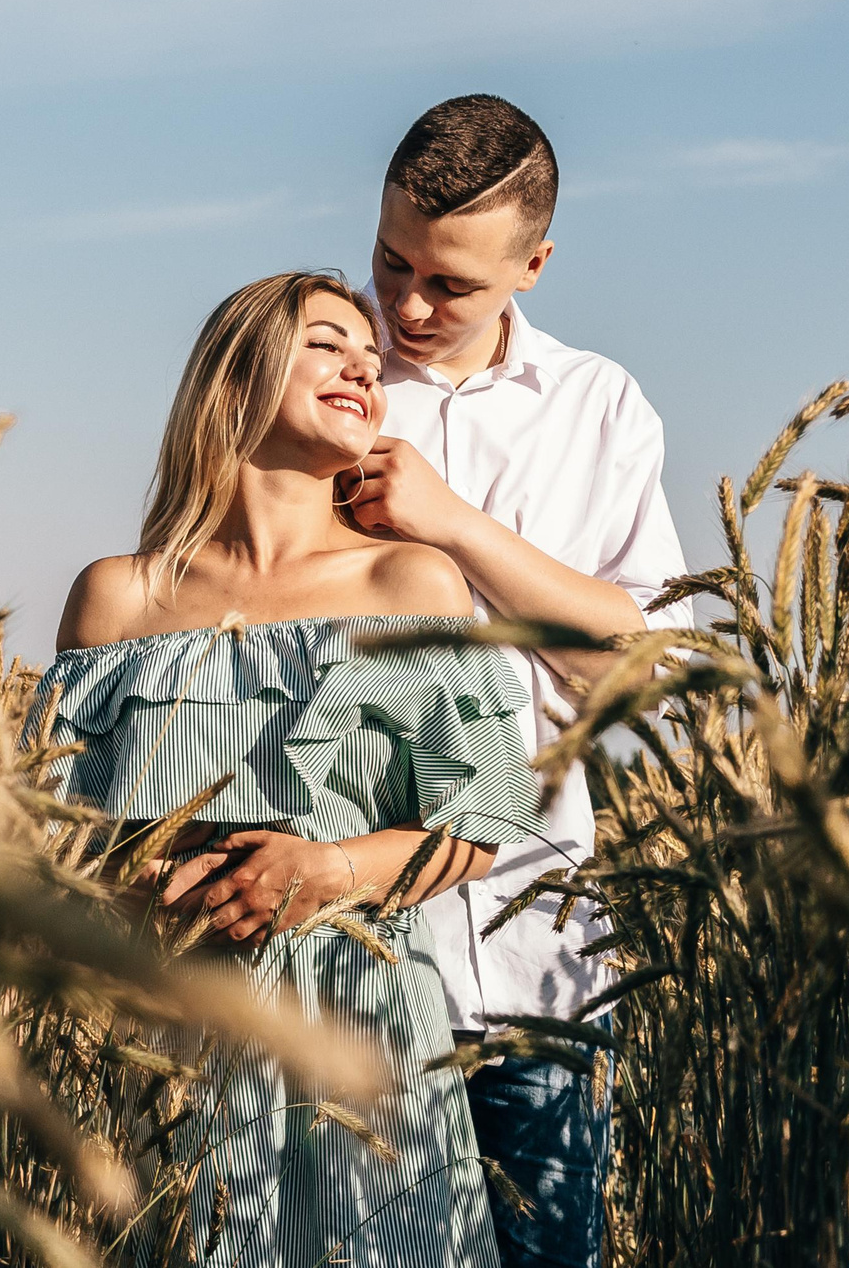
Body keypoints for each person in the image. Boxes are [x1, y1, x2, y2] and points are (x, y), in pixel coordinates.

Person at [35, 271, 542, 1268]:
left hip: (362, 1030)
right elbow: (50, 832)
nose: (364, 363)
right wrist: (127, 883)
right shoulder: (113, 599)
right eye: (326, 342)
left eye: (370, 355)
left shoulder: (412, 581)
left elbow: (487, 818)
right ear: (234, 378)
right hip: (169, 1040)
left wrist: (325, 871)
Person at [345, 95, 692, 1268]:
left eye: (450, 284)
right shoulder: (319, 383)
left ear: (533, 265)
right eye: (391, 260)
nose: (406, 305)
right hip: (351, 948)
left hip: (539, 955)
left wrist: (449, 522)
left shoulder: (599, 408)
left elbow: (640, 667)